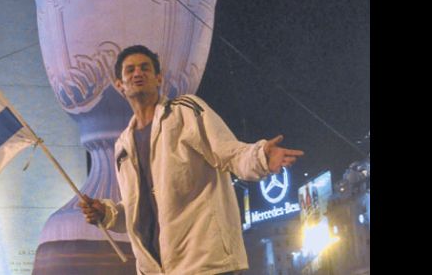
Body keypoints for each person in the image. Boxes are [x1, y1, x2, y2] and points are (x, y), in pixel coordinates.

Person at [79, 45, 304, 275]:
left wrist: (260, 156)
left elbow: (229, 152)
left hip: (205, 264)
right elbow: (138, 208)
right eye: (130, 70)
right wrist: (107, 214)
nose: (138, 74)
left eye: (145, 68)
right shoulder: (122, 147)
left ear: (158, 78)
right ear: (120, 85)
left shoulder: (185, 112)